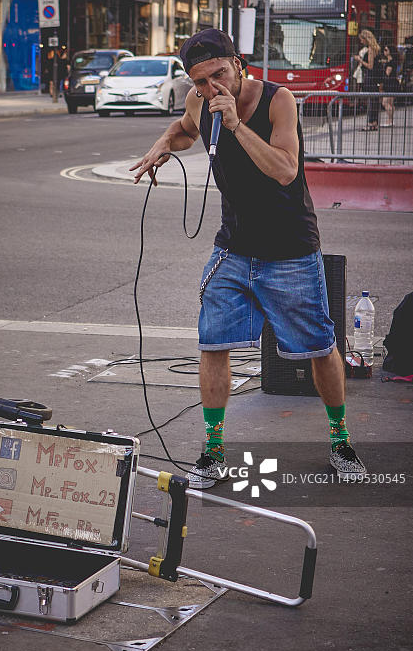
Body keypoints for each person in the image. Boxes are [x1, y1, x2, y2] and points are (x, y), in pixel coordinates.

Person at [130, 28, 366, 487]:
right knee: (212, 343)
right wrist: (163, 142)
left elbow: (286, 169)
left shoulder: (279, 100)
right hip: (233, 248)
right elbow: (183, 128)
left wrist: (236, 125)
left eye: (218, 74)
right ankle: (213, 451)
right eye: (199, 81)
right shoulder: (201, 103)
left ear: (238, 63)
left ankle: (340, 441)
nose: (210, 88)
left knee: (319, 347)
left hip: (290, 250)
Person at [353, 30, 381, 130]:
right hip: (373, 78)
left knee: (371, 101)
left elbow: (370, 65)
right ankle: (374, 123)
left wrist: (360, 60)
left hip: (370, 77)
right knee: (373, 101)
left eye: (362, 39)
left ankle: (371, 123)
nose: (361, 42)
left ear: (366, 39)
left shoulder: (370, 50)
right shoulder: (374, 49)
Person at [380, 44, 398, 127]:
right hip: (393, 83)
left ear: (390, 52)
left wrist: (381, 82)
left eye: (386, 50)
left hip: (389, 84)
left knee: (385, 102)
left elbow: (387, 74)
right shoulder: (392, 61)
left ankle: (390, 119)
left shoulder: (390, 63)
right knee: (390, 103)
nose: (384, 51)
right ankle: (390, 120)